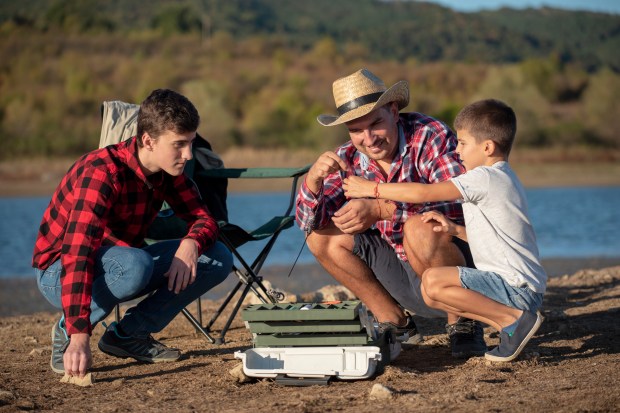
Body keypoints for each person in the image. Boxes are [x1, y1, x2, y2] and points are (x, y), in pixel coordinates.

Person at [32, 89, 233, 378]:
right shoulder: (101, 173)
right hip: (58, 273)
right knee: (136, 264)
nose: (188, 154)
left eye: (190, 143)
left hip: (124, 262)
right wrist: (79, 335)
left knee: (217, 257)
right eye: (179, 144)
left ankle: (128, 335)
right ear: (148, 141)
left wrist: (191, 242)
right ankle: (66, 329)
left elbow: (205, 219)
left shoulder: (168, 171)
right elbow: (79, 254)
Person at [295, 68, 486, 358]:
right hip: (401, 272)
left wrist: (382, 210)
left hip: (459, 270)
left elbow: (457, 200)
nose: (368, 138)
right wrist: (312, 182)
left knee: (420, 228)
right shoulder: (347, 157)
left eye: (375, 124)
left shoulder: (428, 134)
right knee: (319, 237)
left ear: (394, 111)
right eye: (356, 130)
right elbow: (307, 222)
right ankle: (395, 322)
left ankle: (463, 323)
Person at [343, 99, 546, 361]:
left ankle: (514, 320)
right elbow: (493, 237)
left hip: (514, 288)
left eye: (462, 143)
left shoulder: (482, 178)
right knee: (431, 291)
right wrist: (455, 229)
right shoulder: (503, 177)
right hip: (521, 287)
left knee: (432, 281)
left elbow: (423, 192)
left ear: (487, 147)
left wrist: (371, 190)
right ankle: (509, 325)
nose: (457, 150)